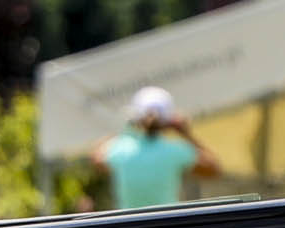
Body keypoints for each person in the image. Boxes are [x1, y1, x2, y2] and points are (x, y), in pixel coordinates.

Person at [91, 86, 222, 209]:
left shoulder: (119, 149)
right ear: (168, 120)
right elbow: (214, 169)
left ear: (135, 117)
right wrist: (186, 134)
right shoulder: (175, 151)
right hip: (166, 224)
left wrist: (126, 128)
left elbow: (95, 158)